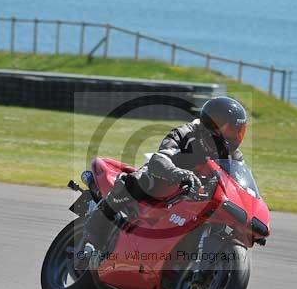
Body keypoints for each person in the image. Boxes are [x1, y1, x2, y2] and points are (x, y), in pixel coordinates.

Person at [76, 96, 248, 270]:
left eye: (238, 130)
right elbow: (159, 159)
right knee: (137, 182)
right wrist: (177, 173)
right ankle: (92, 237)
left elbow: (239, 184)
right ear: (212, 126)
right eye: (230, 130)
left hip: (196, 194)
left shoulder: (233, 156)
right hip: (165, 178)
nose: (235, 136)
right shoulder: (186, 133)